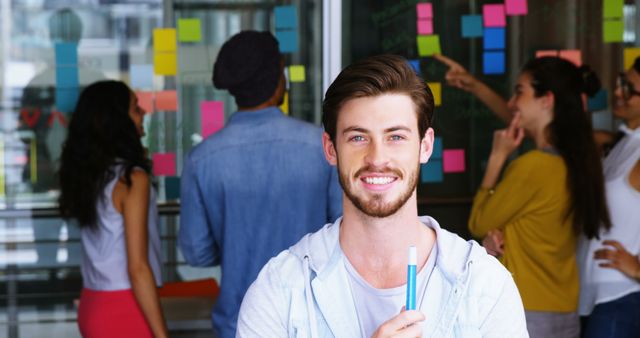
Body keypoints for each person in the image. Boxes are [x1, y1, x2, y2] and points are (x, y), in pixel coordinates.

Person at [237, 54, 528, 337]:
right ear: (330, 149)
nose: (377, 158)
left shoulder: (484, 285)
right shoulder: (280, 289)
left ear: (426, 146)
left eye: (396, 137)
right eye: (358, 137)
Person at [178, 30, 342, 338]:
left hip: (239, 322)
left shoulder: (202, 159)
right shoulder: (321, 147)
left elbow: (196, 254)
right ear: (277, 78)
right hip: (314, 318)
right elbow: (345, 230)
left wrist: (238, 244)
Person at [462, 56, 611, 338]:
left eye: (520, 91)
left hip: (527, 309)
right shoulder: (575, 162)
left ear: (546, 100)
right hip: (564, 308)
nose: (512, 102)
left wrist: (497, 157)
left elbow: (479, 221)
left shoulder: (533, 167)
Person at [58, 81, 168, 338]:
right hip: (126, 307)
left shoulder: (93, 176)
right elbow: (138, 268)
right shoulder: (132, 179)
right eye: (135, 108)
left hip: (91, 303)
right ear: (116, 119)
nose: (143, 113)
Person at [577, 56, 640, 338]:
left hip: (621, 297)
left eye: (629, 88)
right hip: (592, 296)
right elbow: (543, 131)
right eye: (620, 83)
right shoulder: (620, 141)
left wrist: (638, 269)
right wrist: (475, 86)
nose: (617, 92)